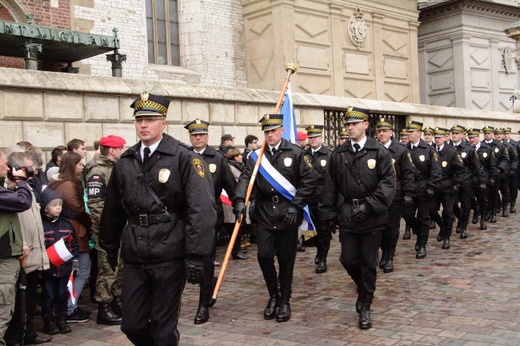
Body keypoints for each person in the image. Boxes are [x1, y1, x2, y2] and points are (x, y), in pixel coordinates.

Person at [99, 92, 216, 346]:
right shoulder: (126, 161)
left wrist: (196, 255)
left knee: (163, 330)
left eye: (151, 119)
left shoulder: (184, 158)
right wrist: (108, 244)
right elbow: (113, 208)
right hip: (135, 252)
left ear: (164, 123)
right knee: (132, 324)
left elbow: (202, 210)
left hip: (169, 251)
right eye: (139, 119)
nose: (144, 125)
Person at [234, 113, 317, 323]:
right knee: (264, 256)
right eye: (267, 132)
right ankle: (273, 295)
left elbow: (309, 181)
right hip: (264, 213)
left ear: (281, 130)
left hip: (287, 213)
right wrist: (239, 201)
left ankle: (285, 300)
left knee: (286, 259)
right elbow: (245, 179)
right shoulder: (256, 156)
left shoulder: (296, 153)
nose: (270, 135)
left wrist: (296, 206)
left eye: (273, 131)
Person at [320, 107, 395, 330]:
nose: (350, 128)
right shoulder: (339, 153)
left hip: (372, 218)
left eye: (354, 124)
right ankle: (363, 289)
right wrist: (329, 214)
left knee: (368, 262)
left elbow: (389, 183)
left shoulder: (379, 151)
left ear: (365, 125)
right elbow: (330, 185)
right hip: (348, 215)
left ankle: (366, 305)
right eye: (347, 125)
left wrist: (370, 206)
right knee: (348, 259)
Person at [184, 118, 237, 324]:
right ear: (190, 137)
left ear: (207, 136)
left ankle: (202, 305)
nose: (198, 138)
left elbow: (230, 186)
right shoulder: (183, 157)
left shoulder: (217, 158)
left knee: (205, 262)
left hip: (208, 217)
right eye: (194, 135)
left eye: (202, 134)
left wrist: (238, 203)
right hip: (184, 217)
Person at [3, 152, 52, 346]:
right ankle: (17, 334)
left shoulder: (26, 187)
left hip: (33, 250)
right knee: (15, 299)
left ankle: (28, 331)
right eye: (29, 168)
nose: (33, 172)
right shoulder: (9, 189)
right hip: (21, 251)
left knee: (29, 296)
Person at [47, 152, 92, 323]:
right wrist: (90, 221)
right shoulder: (67, 185)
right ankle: (69, 308)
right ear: (73, 165)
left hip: (66, 233)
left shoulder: (57, 182)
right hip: (73, 233)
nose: (82, 167)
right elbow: (79, 209)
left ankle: (67, 307)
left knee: (74, 271)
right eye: (80, 164)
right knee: (81, 270)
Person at [86, 135, 127, 325]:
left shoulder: (114, 169)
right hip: (105, 228)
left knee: (118, 266)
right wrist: (107, 227)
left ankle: (116, 300)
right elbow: (96, 204)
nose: (123, 151)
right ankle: (104, 307)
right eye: (121, 148)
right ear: (112, 150)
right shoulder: (98, 171)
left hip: (118, 226)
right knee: (107, 267)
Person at [0, 150, 32, 340]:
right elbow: (23, 202)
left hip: (8, 254)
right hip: (3, 258)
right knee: (3, 309)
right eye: (5, 163)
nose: (8, 167)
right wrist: (20, 183)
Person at [375, 119, 414, 273]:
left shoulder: (400, 151)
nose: (382, 134)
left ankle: (389, 256)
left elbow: (407, 174)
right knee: (379, 228)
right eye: (379, 131)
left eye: (385, 131)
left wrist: (408, 193)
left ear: (391, 132)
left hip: (394, 196)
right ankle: (383, 252)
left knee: (392, 228)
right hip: (378, 196)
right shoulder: (374, 149)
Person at [39, 188, 78, 335]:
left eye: (60, 205)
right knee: (48, 295)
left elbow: (73, 245)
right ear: (45, 208)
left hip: (64, 268)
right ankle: (48, 320)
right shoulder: (41, 225)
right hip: (48, 269)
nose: (58, 208)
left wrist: (75, 264)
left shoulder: (67, 225)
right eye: (54, 205)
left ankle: (62, 319)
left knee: (62, 294)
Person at [402, 120, 442, 259]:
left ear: (419, 133)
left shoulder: (429, 150)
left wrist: (431, 187)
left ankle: (422, 244)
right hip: (409, 189)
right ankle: (419, 232)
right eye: (408, 132)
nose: (408, 134)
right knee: (407, 214)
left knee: (423, 217)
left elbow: (435, 171)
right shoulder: (404, 150)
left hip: (424, 189)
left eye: (411, 132)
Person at [429, 127, 465, 250]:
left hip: (448, 188)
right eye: (436, 137)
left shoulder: (451, 152)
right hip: (434, 187)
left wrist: (456, 184)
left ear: (445, 138)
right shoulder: (431, 150)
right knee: (432, 211)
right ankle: (442, 228)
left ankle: (447, 237)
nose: (437, 139)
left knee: (448, 213)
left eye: (439, 137)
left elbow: (460, 170)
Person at [304, 125, 332, 274]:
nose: (313, 139)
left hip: (323, 199)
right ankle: (318, 251)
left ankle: (322, 257)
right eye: (311, 137)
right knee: (309, 229)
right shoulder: (304, 155)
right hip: (308, 199)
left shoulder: (329, 155)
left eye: (315, 137)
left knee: (323, 230)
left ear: (321, 138)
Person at [450, 124, 486, 239]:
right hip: (452, 182)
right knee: (453, 204)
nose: (454, 135)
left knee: (466, 205)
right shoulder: (449, 148)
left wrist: (481, 181)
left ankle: (464, 227)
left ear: (462, 135)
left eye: (457, 133)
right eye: (453, 133)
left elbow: (477, 166)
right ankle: (460, 220)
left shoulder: (468, 149)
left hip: (466, 182)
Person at [467, 128, 497, 231]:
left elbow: (492, 165)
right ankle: (476, 211)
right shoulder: (466, 149)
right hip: (470, 179)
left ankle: (483, 220)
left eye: (473, 137)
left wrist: (492, 178)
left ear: (478, 137)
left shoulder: (487, 149)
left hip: (483, 179)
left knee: (483, 200)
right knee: (470, 199)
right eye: (470, 138)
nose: (471, 140)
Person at [224, 148, 249, 259]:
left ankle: (237, 247)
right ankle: (235, 249)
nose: (241, 157)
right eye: (239, 155)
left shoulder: (239, 166)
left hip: (238, 198)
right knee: (233, 226)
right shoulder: (230, 168)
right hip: (231, 200)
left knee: (238, 226)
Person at [482, 126, 510, 223]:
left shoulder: (499, 145)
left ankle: (495, 212)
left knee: (496, 194)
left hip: (497, 174)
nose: (487, 135)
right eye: (485, 133)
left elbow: (505, 159)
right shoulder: (481, 145)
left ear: (492, 134)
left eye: (488, 133)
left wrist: (500, 168)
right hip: (485, 174)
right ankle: (488, 212)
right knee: (486, 195)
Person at [503, 127, 519, 213]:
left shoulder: (515, 144)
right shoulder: (500, 144)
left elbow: (517, 158)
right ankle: (505, 203)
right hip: (504, 170)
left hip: (513, 170)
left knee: (513, 187)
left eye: (507, 133)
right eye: (504, 133)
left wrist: (514, 168)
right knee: (505, 188)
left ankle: (512, 203)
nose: (505, 135)